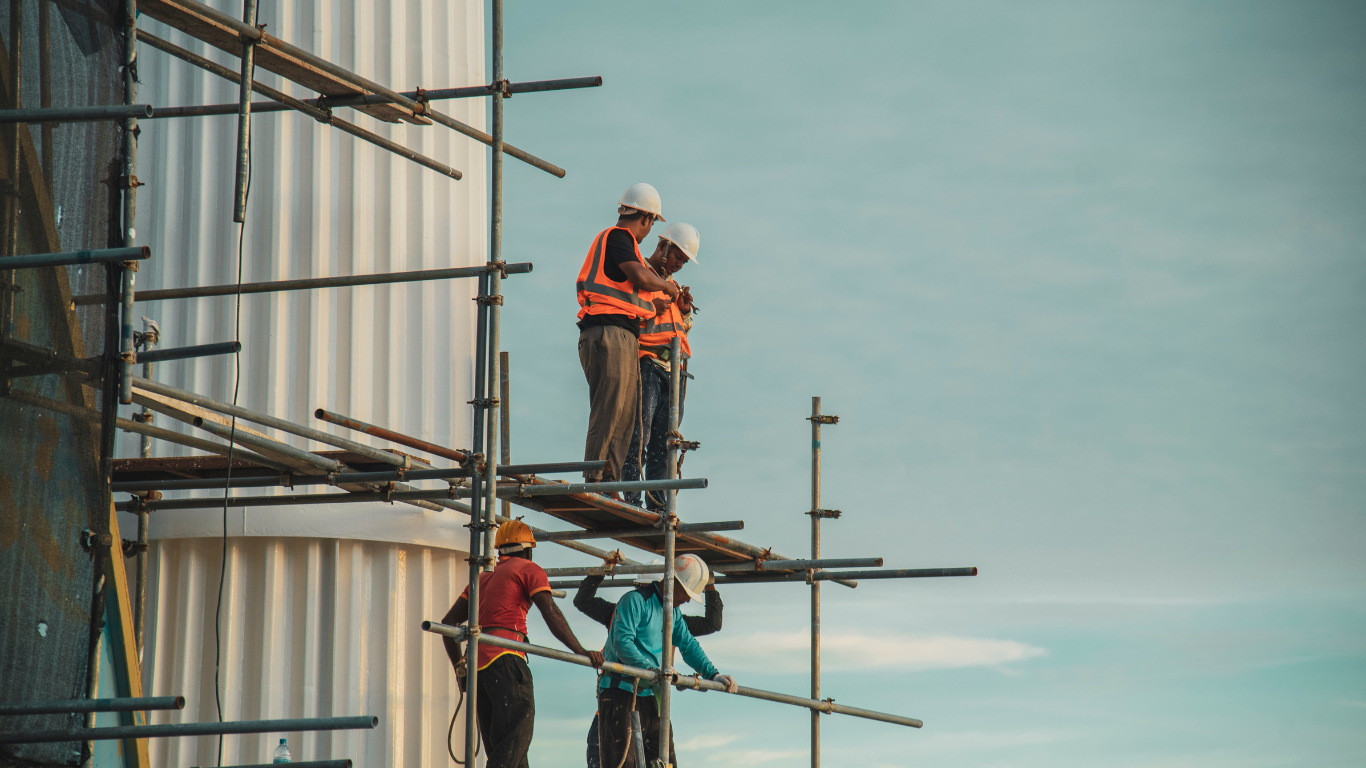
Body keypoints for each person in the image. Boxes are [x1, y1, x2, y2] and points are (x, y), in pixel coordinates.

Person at [440, 521, 604, 768]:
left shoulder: (481, 579)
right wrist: (580, 651)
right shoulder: (529, 569)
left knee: (505, 749)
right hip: (506, 660)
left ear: (500, 551)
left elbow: (448, 623)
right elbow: (550, 611)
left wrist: (460, 668)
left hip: (478, 669)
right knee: (515, 740)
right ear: (528, 550)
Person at [577, 183, 681, 496]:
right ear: (647, 218)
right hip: (607, 332)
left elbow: (628, 294)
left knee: (624, 415)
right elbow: (639, 276)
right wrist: (667, 287)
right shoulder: (618, 237)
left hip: (622, 334)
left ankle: (611, 483)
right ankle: (595, 479)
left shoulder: (625, 246)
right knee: (609, 409)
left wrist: (653, 305)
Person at [576, 559, 724, 767]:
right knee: (621, 763)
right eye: (688, 594)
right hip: (622, 694)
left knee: (664, 762)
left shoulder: (673, 612)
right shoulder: (634, 601)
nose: (689, 601)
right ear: (675, 583)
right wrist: (650, 670)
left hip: (652, 698)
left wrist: (713, 675)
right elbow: (622, 642)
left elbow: (688, 644)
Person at [623, 223, 699, 510]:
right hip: (648, 363)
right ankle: (631, 497)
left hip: (674, 370)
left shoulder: (672, 286)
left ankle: (657, 504)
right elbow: (633, 312)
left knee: (664, 443)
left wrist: (685, 311)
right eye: (678, 256)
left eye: (684, 260)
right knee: (639, 432)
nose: (680, 264)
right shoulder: (640, 272)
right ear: (663, 247)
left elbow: (680, 328)